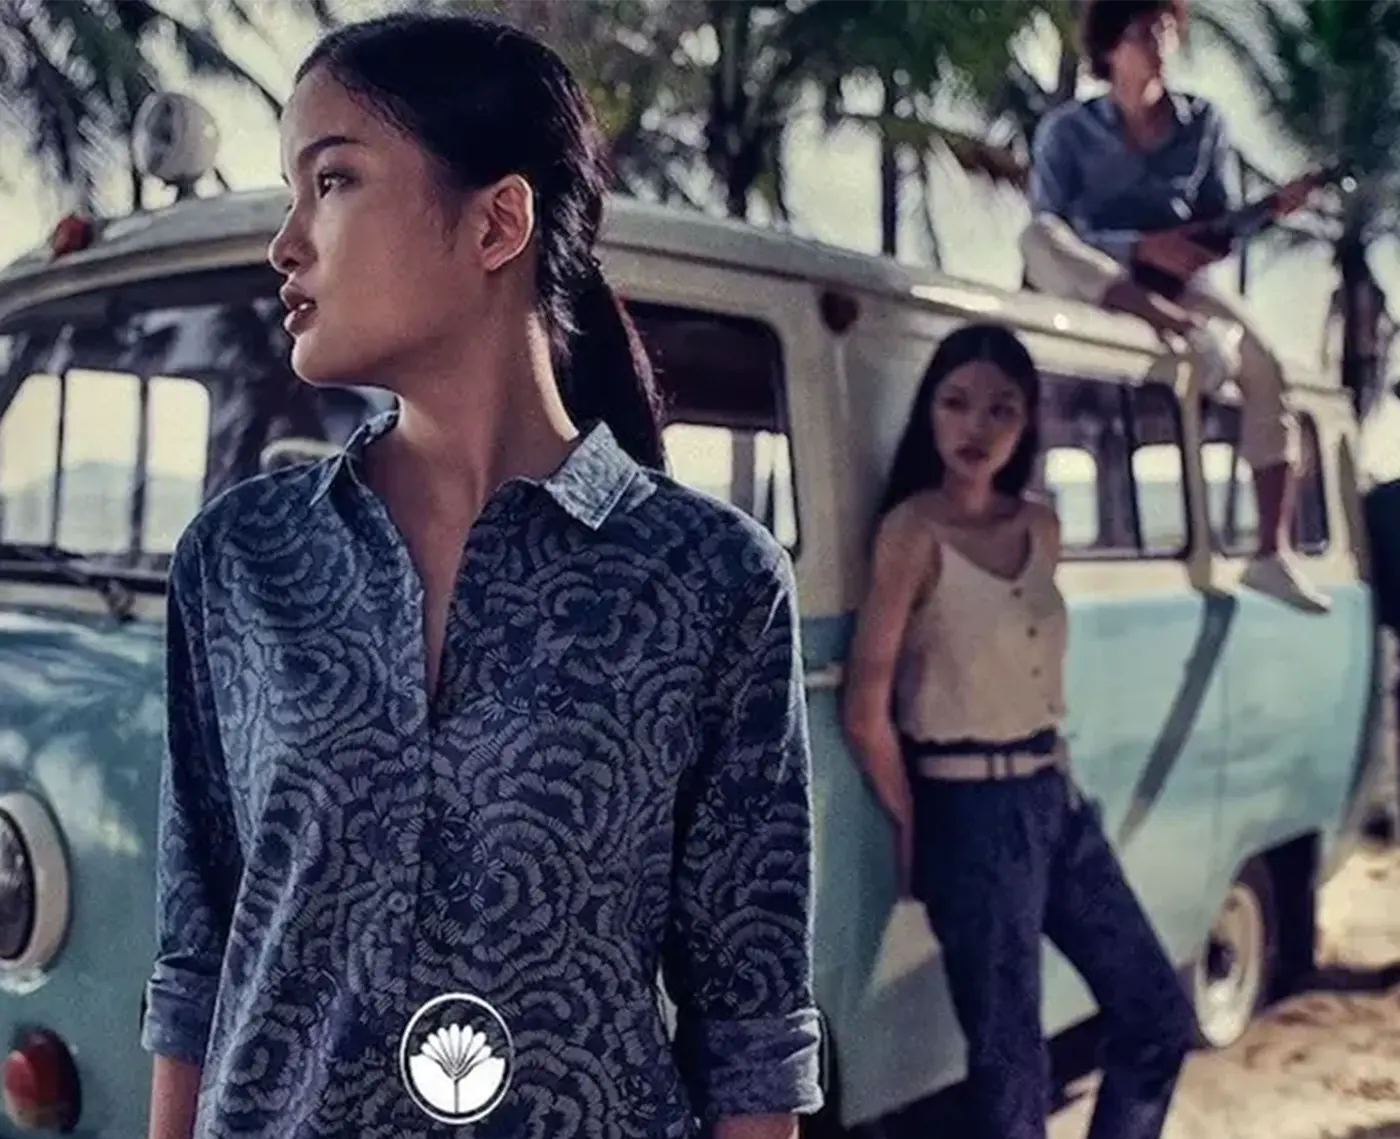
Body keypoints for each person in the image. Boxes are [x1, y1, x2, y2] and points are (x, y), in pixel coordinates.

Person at [138, 13, 822, 1139]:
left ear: (498, 219)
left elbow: (747, 1027)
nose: (286, 242)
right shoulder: (240, 562)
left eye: (334, 181)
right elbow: (197, 958)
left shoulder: (711, 583)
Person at [841, 322, 1199, 1139]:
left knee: (1157, 1011)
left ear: (1027, 419)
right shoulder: (911, 531)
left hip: (1054, 797)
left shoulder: (1041, 526)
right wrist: (910, 829)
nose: (977, 427)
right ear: (930, 410)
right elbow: (866, 707)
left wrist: (1058, 792)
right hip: (967, 813)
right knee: (1013, 1068)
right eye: (957, 402)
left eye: (1001, 409)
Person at [1020, 0, 1330, 614]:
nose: (1160, 36)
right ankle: (1182, 331)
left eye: (1167, 25)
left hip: (1182, 284)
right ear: (1111, 48)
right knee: (1037, 240)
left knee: (1265, 363)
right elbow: (1051, 225)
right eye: (1144, 27)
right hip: (1094, 277)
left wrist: (1266, 212)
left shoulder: (1202, 122)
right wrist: (1137, 246)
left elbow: (1220, 223)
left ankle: (1272, 552)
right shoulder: (1067, 130)